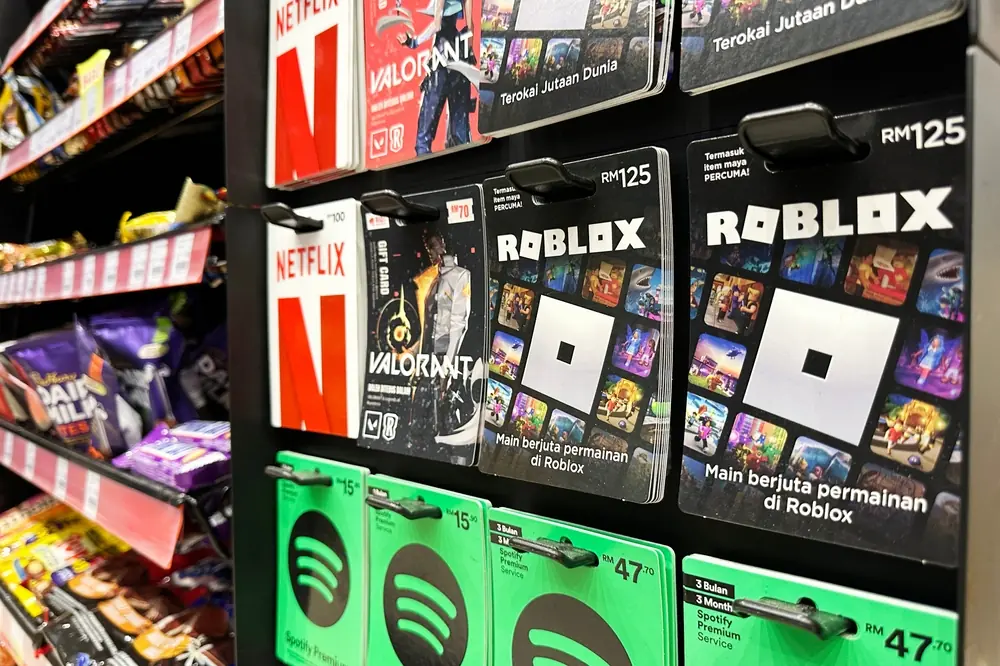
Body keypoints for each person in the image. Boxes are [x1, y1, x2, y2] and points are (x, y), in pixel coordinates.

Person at [398, 0, 476, 155]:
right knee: (460, 128)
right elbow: (470, 28)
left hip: (441, 58)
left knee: (425, 129)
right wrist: (468, 54)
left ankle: (424, 168)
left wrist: (413, 42)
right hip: (460, 57)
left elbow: (436, 25)